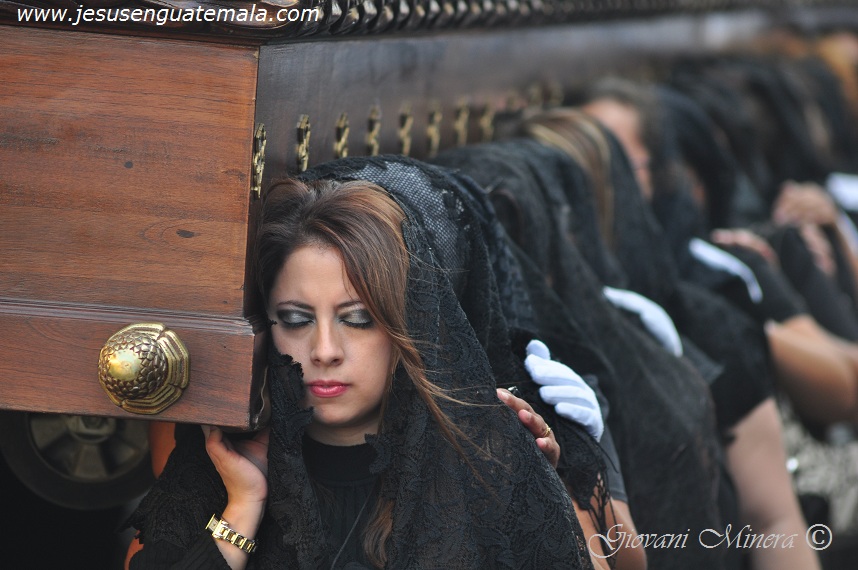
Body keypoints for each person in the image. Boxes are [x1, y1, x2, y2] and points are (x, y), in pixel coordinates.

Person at [124, 176, 601, 569]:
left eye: (357, 320)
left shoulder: (481, 460)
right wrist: (242, 509)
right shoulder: (224, 464)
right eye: (296, 319)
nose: (325, 351)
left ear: (405, 326)